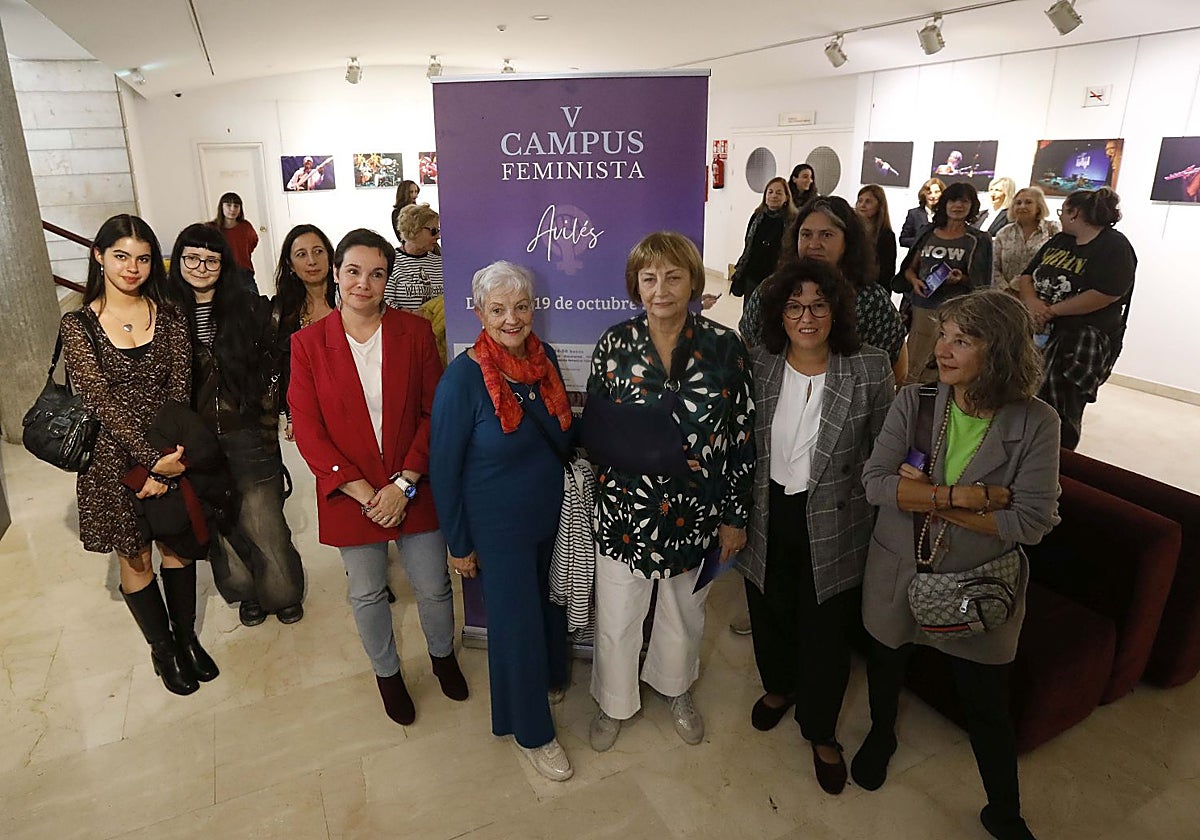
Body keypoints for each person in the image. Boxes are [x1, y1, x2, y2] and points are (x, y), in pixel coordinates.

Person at [858, 290, 1061, 840]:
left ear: (998, 352)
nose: (942, 350)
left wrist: (926, 495)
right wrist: (973, 498)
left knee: (988, 704)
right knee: (887, 663)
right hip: (899, 567)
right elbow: (876, 484)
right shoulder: (915, 401)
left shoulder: (1037, 422)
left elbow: (1033, 523)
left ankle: (1004, 808)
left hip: (978, 581)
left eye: (961, 340)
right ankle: (882, 735)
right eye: (943, 334)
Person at [288, 228, 467, 726]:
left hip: (413, 480)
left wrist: (404, 483)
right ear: (336, 274)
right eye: (353, 271)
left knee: (432, 585)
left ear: (389, 278)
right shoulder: (307, 344)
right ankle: (387, 674)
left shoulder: (413, 333)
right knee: (366, 592)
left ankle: (442, 657)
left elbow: (436, 414)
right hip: (351, 492)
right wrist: (368, 494)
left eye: (376, 273)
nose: (363, 283)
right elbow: (307, 428)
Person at [587, 231, 754, 753]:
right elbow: (596, 430)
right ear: (635, 284)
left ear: (693, 282)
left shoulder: (725, 348)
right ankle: (614, 702)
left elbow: (743, 433)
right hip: (625, 511)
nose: (661, 289)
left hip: (696, 510)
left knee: (684, 613)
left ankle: (675, 688)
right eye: (649, 277)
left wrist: (734, 515)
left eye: (673, 277)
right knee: (617, 615)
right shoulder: (614, 345)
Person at [737, 258, 894, 795]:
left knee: (826, 628)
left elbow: (883, 452)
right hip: (768, 508)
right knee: (769, 604)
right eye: (794, 306)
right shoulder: (759, 362)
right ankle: (779, 688)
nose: (806, 317)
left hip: (836, 516)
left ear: (837, 312)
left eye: (818, 306)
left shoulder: (869, 367)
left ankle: (821, 730)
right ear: (779, 313)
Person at [60, 214, 217, 696]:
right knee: (137, 560)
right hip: (112, 465)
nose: (132, 268)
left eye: (143, 258)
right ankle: (163, 649)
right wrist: (148, 462)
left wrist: (168, 463)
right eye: (121, 256)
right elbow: (99, 402)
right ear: (99, 256)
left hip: (169, 456)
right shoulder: (78, 324)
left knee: (177, 547)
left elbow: (179, 389)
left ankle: (187, 639)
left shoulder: (168, 314)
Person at [429, 261, 575, 782]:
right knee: (515, 628)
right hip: (499, 527)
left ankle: (550, 678)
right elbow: (443, 469)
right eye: (498, 309)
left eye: (521, 306)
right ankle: (531, 732)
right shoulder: (462, 378)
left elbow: (562, 434)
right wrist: (460, 542)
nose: (512, 319)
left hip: (552, 516)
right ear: (478, 313)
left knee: (551, 606)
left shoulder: (546, 358)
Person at [162, 223, 305, 627]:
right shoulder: (166, 312)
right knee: (219, 521)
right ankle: (244, 591)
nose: (201, 267)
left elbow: (273, 363)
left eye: (211, 259)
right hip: (195, 435)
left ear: (224, 264)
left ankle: (283, 592)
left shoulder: (247, 307)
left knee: (262, 517)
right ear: (179, 261)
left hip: (247, 429)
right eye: (192, 258)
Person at [1016, 187, 1136, 449]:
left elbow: (1107, 293)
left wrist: (1052, 311)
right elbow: (1027, 275)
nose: (1060, 217)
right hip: (1038, 333)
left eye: (1063, 211)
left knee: (1061, 410)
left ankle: (1056, 463)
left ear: (1075, 213)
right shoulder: (1060, 241)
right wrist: (1034, 304)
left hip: (1078, 342)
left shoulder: (1114, 246)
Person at [741, 196, 908, 383]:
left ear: (848, 241)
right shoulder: (771, 290)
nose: (813, 244)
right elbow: (748, 349)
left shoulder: (871, 301)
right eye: (806, 234)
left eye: (826, 235)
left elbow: (896, 369)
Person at [897, 181, 993, 384]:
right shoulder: (927, 232)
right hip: (923, 307)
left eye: (964, 201)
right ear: (944, 204)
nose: (958, 206)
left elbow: (982, 282)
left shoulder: (978, 239)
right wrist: (914, 281)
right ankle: (909, 406)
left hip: (958, 311)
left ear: (972, 206)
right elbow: (909, 269)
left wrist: (961, 279)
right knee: (916, 362)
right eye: (953, 201)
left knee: (949, 361)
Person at [272, 224, 336, 442]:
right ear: (290, 264)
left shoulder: (349, 300)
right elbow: (285, 366)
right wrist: (291, 414)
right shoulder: (283, 310)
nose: (311, 260)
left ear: (330, 255)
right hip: (311, 409)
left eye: (318, 251)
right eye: (301, 254)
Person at [729, 177, 795, 299]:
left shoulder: (792, 221)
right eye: (770, 192)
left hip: (777, 279)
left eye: (779, 193)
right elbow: (748, 246)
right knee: (749, 314)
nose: (773, 196)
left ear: (786, 197)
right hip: (753, 277)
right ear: (765, 196)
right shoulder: (757, 217)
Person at [991, 187, 1059, 294]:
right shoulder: (1004, 233)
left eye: (1028, 202)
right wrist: (1007, 290)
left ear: (1039, 207)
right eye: (1018, 203)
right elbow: (994, 266)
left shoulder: (1053, 230)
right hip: (1008, 297)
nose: (1022, 206)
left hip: (1041, 296)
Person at [386, 203, 443, 311]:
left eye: (438, 230)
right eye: (433, 231)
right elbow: (384, 301)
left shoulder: (440, 263)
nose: (438, 236)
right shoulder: (391, 261)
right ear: (414, 230)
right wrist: (406, 313)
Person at [212, 192, 258, 287]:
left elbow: (253, 242)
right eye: (228, 205)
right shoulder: (212, 228)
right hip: (221, 274)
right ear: (222, 207)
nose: (232, 209)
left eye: (236, 206)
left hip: (244, 272)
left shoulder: (246, 226)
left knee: (252, 301)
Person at [856, 184, 898, 290]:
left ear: (879, 206)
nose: (862, 205)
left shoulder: (886, 236)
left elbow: (887, 273)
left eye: (868, 201)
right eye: (860, 201)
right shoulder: (849, 230)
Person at [899, 177, 944, 248]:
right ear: (924, 194)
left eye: (937, 192)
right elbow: (903, 240)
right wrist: (921, 241)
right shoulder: (914, 214)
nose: (933, 196)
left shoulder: (947, 215)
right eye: (929, 193)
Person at [390, 179, 421, 243]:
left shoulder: (420, 210)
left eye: (416, 192)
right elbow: (401, 237)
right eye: (411, 192)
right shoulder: (397, 213)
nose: (415, 195)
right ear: (403, 194)